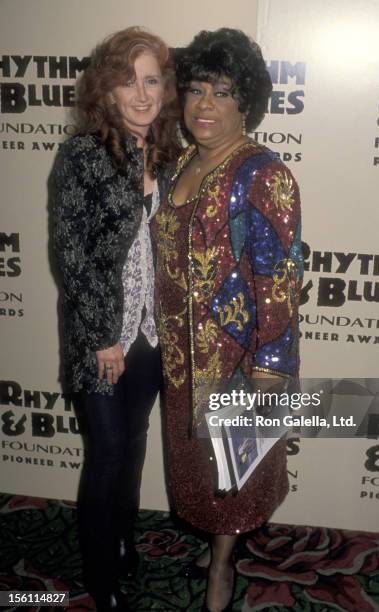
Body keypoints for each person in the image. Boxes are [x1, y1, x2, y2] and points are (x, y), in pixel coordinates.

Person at [153, 28, 303, 611]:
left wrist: (271, 372)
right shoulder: (183, 161)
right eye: (194, 90)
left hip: (239, 365)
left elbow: (281, 281)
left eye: (222, 91)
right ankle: (216, 545)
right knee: (199, 471)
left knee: (231, 474)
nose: (204, 105)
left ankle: (221, 566)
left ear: (247, 103)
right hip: (182, 360)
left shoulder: (262, 175)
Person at [52, 27, 180, 612]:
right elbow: (70, 254)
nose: (141, 92)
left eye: (151, 79)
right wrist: (104, 337)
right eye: (128, 80)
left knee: (132, 446)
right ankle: (99, 576)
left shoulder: (170, 157)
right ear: (105, 89)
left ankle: (124, 540)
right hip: (102, 339)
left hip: (151, 338)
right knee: (105, 455)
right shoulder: (83, 154)